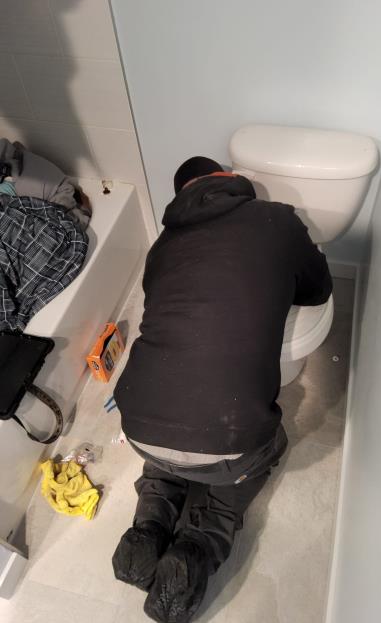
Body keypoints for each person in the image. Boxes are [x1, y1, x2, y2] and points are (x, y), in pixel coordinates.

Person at [112, 156, 333, 623]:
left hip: (138, 424)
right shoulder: (277, 219)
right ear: (230, 179)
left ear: (181, 196)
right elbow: (318, 290)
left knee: (171, 439)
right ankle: (200, 540)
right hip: (230, 440)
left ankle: (150, 522)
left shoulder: (162, 247)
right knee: (255, 453)